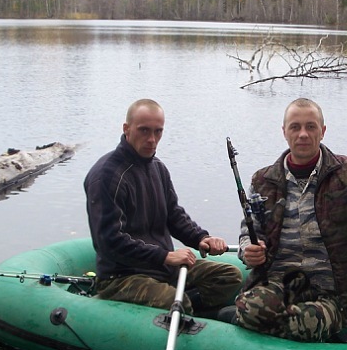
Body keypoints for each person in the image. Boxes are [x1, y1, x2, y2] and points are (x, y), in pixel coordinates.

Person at [235, 97, 347, 342]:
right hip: (280, 284)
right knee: (251, 308)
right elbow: (249, 229)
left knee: (303, 323)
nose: (303, 134)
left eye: (311, 127)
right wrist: (248, 250)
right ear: (284, 132)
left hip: (335, 294)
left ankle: (303, 330)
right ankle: (306, 333)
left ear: (322, 131)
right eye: (295, 127)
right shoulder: (263, 180)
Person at [84, 98, 243, 314]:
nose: (152, 139)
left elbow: (174, 215)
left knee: (229, 277)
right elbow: (109, 241)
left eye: (158, 131)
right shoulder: (107, 176)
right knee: (174, 302)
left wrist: (201, 238)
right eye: (144, 131)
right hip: (122, 275)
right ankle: (184, 314)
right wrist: (165, 256)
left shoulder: (157, 168)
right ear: (127, 129)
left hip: (162, 267)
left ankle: (196, 320)